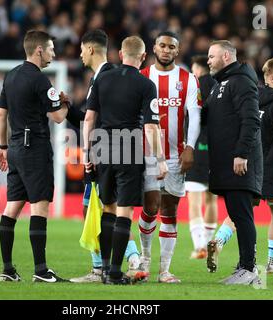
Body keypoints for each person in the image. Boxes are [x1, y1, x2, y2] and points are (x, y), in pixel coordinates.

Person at [206, 56, 273, 275]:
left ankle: (220, 241)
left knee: (241, 210)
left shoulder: (250, 96)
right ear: (270, 77)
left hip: (249, 164)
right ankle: (272, 263)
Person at [83, 36, 167, 285]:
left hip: (103, 145)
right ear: (143, 58)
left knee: (107, 207)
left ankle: (106, 269)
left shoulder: (102, 78)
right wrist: (160, 160)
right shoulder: (146, 84)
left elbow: (89, 119)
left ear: (120, 54)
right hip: (129, 146)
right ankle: (117, 273)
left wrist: (87, 153)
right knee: (124, 211)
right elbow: (151, 127)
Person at [68, 29, 141, 284]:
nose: (79, 54)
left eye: (81, 49)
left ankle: (112, 265)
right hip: (106, 151)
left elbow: (97, 120)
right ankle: (110, 265)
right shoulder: (99, 77)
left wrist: (91, 152)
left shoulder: (108, 76)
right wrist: (68, 110)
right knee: (99, 207)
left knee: (108, 207)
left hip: (108, 153)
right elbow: (89, 117)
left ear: (90, 49)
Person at [0, 30, 69, 282]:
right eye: (50, 49)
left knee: (12, 207)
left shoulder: (11, 75)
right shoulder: (40, 80)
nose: (53, 53)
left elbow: (2, 114)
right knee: (39, 207)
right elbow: (58, 117)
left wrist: (3, 146)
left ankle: (7, 270)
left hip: (14, 147)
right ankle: (40, 271)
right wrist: (65, 102)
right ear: (39, 50)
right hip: (34, 148)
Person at [138, 31, 201, 283]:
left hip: (176, 155)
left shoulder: (188, 79)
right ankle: (144, 260)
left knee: (170, 210)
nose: (166, 50)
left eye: (171, 47)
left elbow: (194, 115)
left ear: (177, 50)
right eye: (162, 45)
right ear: (154, 48)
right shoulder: (142, 77)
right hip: (147, 155)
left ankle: (164, 270)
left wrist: (191, 147)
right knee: (150, 207)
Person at [203, 40, 262, 285]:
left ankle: (249, 270)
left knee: (243, 215)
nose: (208, 60)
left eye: (211, 56)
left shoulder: (242, 82)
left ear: (226, 56)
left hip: (239, 162)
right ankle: (243, 267)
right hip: (226, 163)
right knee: (237, 215)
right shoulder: (221, 85)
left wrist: (241, 154)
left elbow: (251, 120)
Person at [185, 55, 218, 259]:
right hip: (216, 150)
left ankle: (200, 247)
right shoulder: (219, 86)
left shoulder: (193, 87)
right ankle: (209, 241)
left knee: (195, 201)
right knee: (212, 199)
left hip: (196, 147)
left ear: (196, 69)